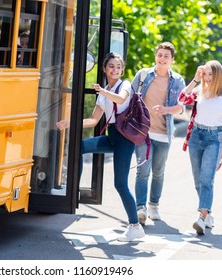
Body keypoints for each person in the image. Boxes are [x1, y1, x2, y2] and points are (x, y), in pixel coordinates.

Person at [56, 52, 145, 242]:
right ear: (104, 69)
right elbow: (94, 120)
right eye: (111, 66)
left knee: (120, 184)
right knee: (78, 147)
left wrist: (103, 92)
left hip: (125, 139)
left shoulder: (125, 85)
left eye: (118, 67)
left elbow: (121, 100)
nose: (115, 70)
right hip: (112, 135)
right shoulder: (104, 91)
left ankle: (135, 226)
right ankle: (74, 189)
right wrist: (69, 122)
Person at [178, 60, 222, 235]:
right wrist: (195, 79)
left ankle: (201, 219)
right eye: (205, 74)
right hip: (196, 136)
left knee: (206, 179)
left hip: (214, 139)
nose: (208, 78)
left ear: (218, 76)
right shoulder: (198, 91)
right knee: (197, 180)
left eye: (211, 74)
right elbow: (181, 99)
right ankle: (208, 213)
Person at [131, 42, 186, 225]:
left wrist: (166, 109)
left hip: (164, 133)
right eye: (160, 55)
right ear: (155, 56)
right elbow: (130, 98)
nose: (162, 59)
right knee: (142, 171)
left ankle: (154, 205)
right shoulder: (144, 75)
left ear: (172, 60)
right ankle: (140, 208)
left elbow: (181, 109)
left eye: (166, 56)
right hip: (143, 132)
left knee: (159, 172)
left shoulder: (177, 80)